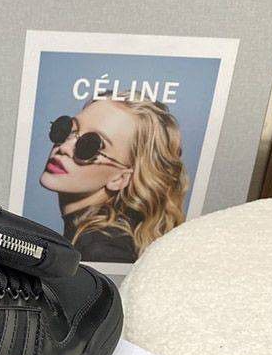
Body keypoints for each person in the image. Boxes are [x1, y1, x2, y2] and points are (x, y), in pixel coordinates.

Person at [39, 94, 188, 263]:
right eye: (67, 129)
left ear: (120, 178)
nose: (64, 148)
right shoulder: (96, 237)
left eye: (90, 145)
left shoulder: (102, 250)